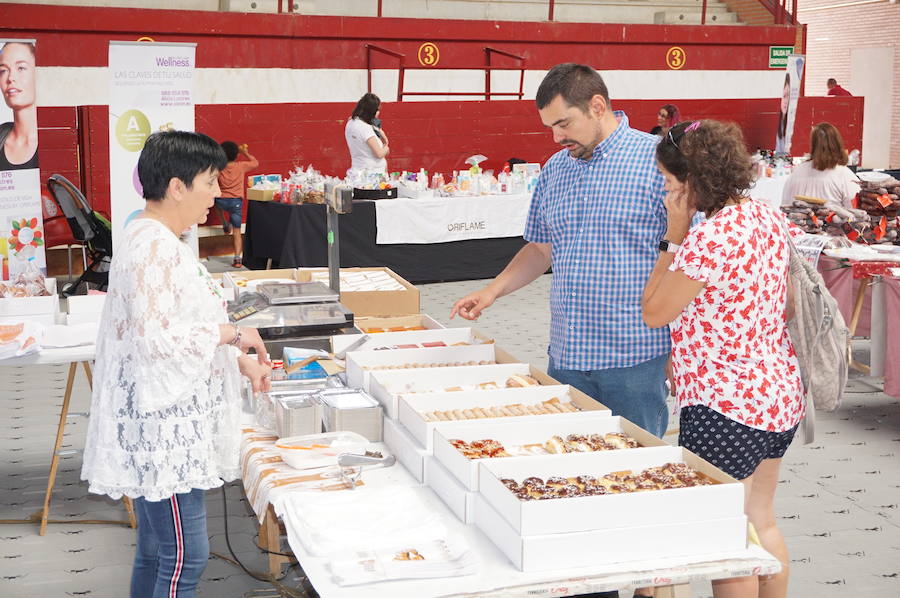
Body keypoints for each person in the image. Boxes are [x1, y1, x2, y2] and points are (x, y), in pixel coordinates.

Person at [80, 130, 272, 598]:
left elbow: (182, 324)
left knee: (155, 548)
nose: (215, 194)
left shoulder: (158, 238)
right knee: (185, 556)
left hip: (163, 425)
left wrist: (233, 360)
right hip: (164, 429)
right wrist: (233, 334)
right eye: (209, 182)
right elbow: (158, 339)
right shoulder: (152, 247)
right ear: (177, 186)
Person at [451, 63, 670, 438]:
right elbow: (540, 248)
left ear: (597, 106)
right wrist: (492, 291)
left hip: (636, 358)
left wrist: (683, 352)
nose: (556, 137)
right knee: (570, 469)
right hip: (567, 357)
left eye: (564, 124)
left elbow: (691, 262)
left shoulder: (658, 162)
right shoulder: (556, 170)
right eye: (550, 127)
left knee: (640, 470)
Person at [643, 120, 803, 598]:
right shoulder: (765, 216)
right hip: (777, 395)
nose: (665, 192)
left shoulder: (708, 238)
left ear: (693, 181)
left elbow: (654, 311)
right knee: (760, 521)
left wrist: (672, 236)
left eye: (670, 184)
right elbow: (786, 302)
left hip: (724, 407)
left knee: (726, 542)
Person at [781, 122, 860, 208]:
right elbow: (856, 212)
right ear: (837, 143)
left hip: (798, 220)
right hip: (832, 220)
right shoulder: (845, 175)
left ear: (813, 145)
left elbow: (785, 205)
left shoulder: (797, 171)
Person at [215, 140, 259, 268]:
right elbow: (255, 163)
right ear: (236, 155)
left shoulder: (219, 167)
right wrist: (245, 153)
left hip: (221, 200)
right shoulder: (241, 166)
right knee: (237, 232)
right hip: (236, 203)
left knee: (215, 204)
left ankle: (224, 223)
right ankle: (237, 259)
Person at [0, 41, 38, 171]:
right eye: (3, 70)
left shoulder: (57, 139)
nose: (10, 78)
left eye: (21, 68)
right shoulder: (1, 136)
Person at [345, 92, 389, 173]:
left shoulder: (351, 122)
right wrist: (386, 148)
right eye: (377, 110)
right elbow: (379, 154)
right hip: (372, 174)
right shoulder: (365, 128)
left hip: (357, 169)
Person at [774, 74, 791, 155]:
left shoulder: (791, 121)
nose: (786, 101)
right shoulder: (778, 123)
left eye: (788, 96)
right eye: (784, 96)